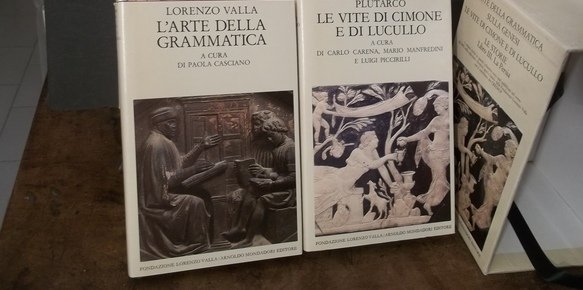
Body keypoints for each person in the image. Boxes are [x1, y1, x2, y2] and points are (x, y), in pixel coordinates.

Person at [138, 106, 221, 260]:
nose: (175, 126)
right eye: (170, 122)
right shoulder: (156, 144)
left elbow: (179, 164)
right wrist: (194, 169)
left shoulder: (164, 141)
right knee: (196, 202)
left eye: (175, 122)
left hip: (165, 193)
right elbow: (166, 182)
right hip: (158, 202)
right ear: (159, 124)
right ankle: (196, 245)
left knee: (201, 194)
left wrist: (200, 147)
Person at [222, 110, 297, 247]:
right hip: (280, 185)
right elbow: (278, 171)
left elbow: (294, 177)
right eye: (267, 137)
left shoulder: (290, 148)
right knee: (252, 190)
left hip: (290, 192)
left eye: (271, 136)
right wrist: (264, 170)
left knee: (262, 200)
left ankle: (249, 238)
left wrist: (271, 184)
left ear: (280, 131)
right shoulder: (277, 148)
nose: (269, 140)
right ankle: (240, 227)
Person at [313, 130, 403, 218]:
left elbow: (381, 167)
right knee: (314, 192)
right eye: (375, 138)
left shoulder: (373, 151)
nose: (378, 140)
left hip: (346, 183)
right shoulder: (357, 152)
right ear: (367, 142)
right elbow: (372, 165)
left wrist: (390, 184)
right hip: (338, 179)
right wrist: (388, 157)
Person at [397, 94, 451, 215]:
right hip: (435, 154)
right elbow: (423, 133)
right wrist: (407, 139)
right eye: (435, 107)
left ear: (445, 105)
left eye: (437, 106)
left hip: (446, 153)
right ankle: (431, 203)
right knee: (440, 179)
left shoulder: (449, 119)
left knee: (439, 179)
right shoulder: (436, 120)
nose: (435, 109)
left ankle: (432, 203)